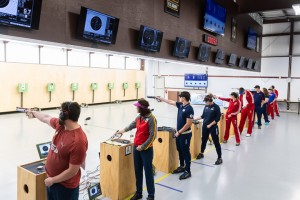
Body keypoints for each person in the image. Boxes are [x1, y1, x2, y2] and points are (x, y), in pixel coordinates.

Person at [25, 102, 88, 200]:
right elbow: (46, 117)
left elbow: (73, 171)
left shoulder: (78, 141)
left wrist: (53, 180)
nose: (59, 114)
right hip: (52, 181)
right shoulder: (61, 126)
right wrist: (33, 113)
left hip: (65, 188)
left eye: (61, 112)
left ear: (65, 115)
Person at [116, 99, 157, 200]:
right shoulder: (139, 117)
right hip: (136, 148)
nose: (136, 108)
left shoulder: (151, 118)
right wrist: (122, 130)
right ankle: (139, 193)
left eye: (137, 106)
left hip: (146, 150)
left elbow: (153, 136)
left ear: (141, 108)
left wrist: (143, 146)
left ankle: (151, 195)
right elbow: (131, 125)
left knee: (148, 172)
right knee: (138, 171)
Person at [157, 91, 194, 180]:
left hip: (185, 134)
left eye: (180, 97)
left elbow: (188, 124)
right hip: (179, 134)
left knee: (185, 152)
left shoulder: (189, 109)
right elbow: (171, 102)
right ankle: (182, 166)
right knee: (180, 150)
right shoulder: (181, 105)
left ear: (184, 98)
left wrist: (179, 132)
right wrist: (161, 99)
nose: (179, 98)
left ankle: (188, 171)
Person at [194, 95, 223, 165]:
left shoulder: (216, 107)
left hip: (213, 127)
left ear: (210, 101)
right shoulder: (206, 106)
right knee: (204, 140)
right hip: (205, 126)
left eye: (206, 102)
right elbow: (203, 116)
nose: (206, 103)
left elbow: (217, 119)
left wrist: (210, 125)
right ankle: (202, 153)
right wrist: (194, 119)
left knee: (216, 142)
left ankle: (219, 157)